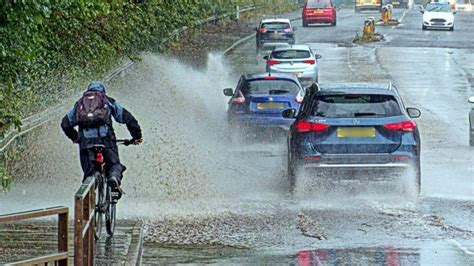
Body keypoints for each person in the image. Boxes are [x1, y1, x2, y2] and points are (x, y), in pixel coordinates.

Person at [61, 81, 142, 200]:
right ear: (103, 92)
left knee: (89, 175)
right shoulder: (107, 101)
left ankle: (86, 205)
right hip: (107, 141)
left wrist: (76, 137)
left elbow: (65, 124)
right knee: (114, 165)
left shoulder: (79, 104)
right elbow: (127, 118)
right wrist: (136, 136)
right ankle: (113, 178)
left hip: (86, 144)